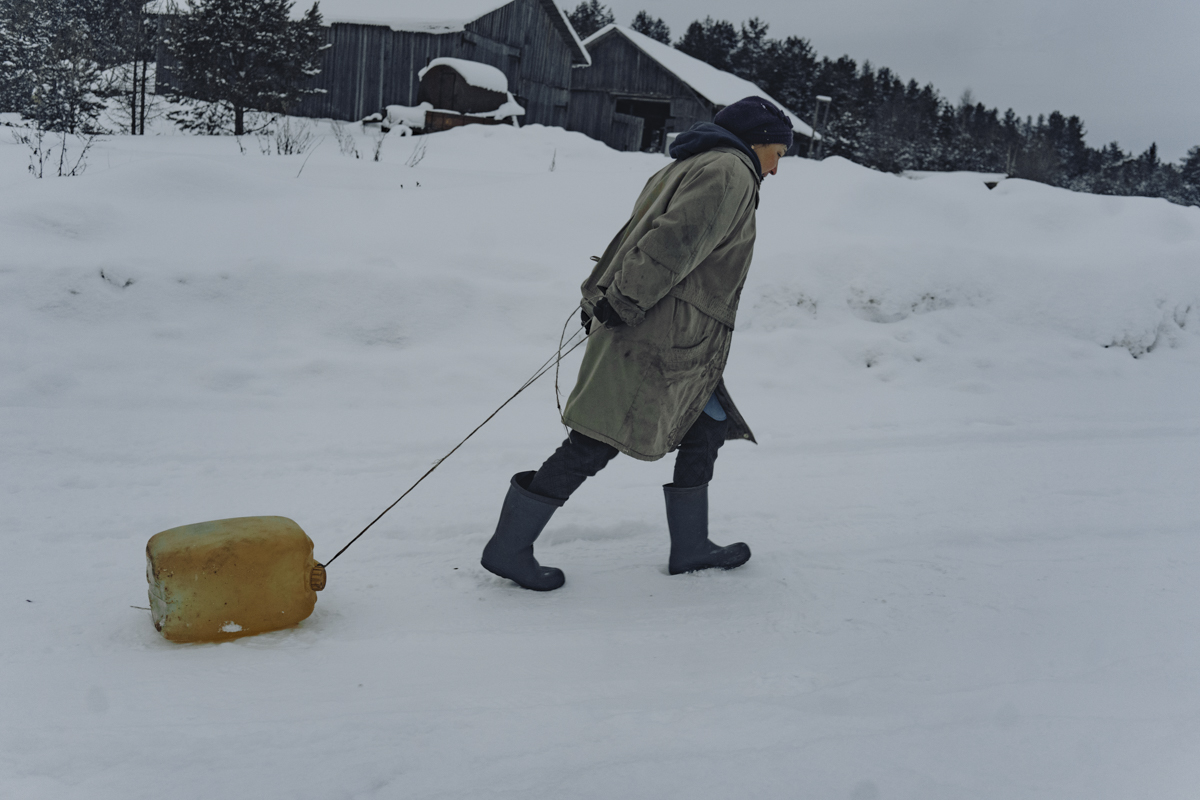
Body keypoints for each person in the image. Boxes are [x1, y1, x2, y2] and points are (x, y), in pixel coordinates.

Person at [482, 96, 794, 591]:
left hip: (676, 337)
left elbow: (636, 237)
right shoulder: (729, 171)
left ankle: (691, 546)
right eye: (778, 153)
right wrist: (622, 300)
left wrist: (608, 297)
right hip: (657, 334)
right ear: (756, 141)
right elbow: (671, 243)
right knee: (596, 440)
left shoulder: (694, 163)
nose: (777, 169)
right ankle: (509, 547)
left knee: (706, 426)